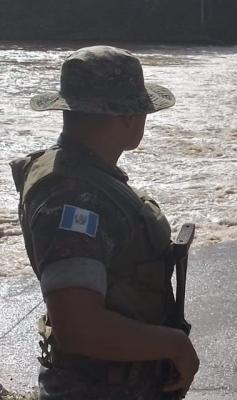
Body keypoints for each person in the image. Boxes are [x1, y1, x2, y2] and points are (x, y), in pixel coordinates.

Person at [10, 46, 200, 399]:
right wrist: (175, 345)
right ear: (127, 116)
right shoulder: (73, 196)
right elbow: (79, 327)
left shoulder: (85, 177)